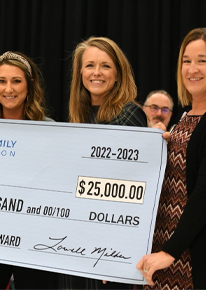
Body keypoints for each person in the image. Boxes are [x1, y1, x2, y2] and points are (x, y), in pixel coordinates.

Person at [0, 51, 59, 289]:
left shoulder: (51, 131)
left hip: (36, 241)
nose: (9, 89)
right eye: (2, 81)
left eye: (17, 81)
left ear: (30, 85)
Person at [67, 36, 147, 289]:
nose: (96, 73)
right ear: (80, 72)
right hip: (75, 242)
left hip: (107, 250)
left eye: (105, 66)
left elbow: (128, 193)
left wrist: (111, 250)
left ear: (118, 73)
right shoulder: (77, 119)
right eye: (90, 65)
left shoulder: (130, 115)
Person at [137, 27, 206, 290]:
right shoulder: (184, 119)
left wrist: (170, 252)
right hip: (162, 254)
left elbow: (202, 195)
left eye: (202, 61)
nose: (192, 69)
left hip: (186, 258)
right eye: (187, 61)